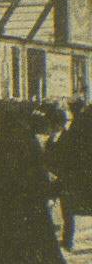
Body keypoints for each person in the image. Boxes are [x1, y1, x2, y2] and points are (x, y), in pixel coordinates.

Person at [0, 101, 80, 264]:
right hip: (33, 220)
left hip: (7, 223)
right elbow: (38, 185)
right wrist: (56, 186)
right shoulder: (28, 145)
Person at [46, 99, 92, 251]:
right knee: (68, 206)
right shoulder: (76, 128)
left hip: (71, 175)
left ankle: (67, 240)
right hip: (75, 174)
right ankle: (67, 240)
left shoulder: (73, 131)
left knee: (67, 207)